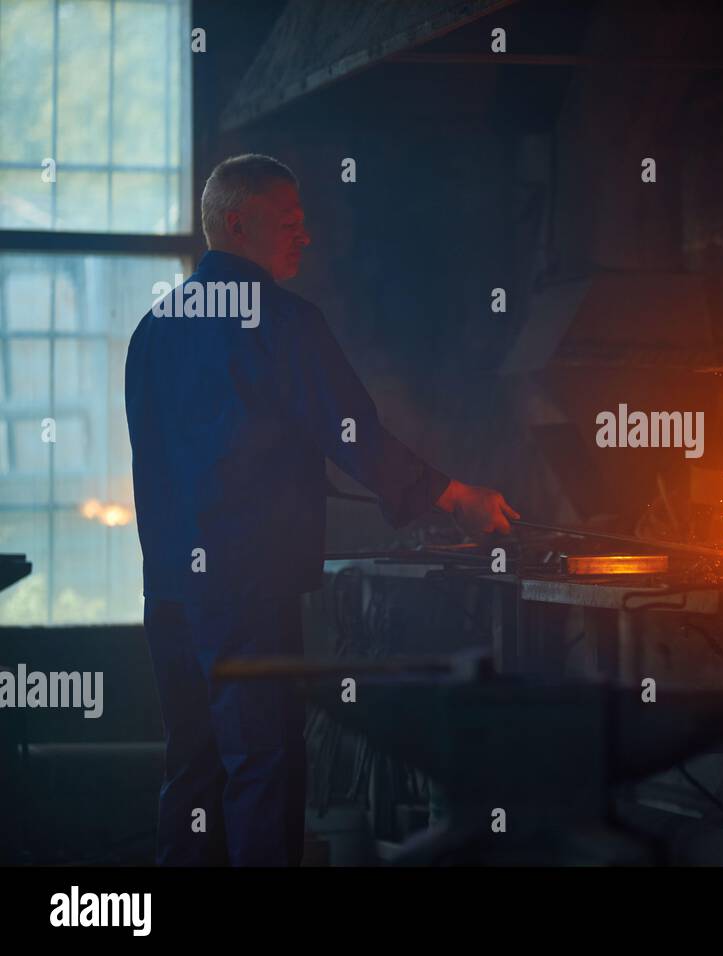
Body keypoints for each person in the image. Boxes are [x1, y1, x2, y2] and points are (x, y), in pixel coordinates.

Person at [124, 153, 517, 866]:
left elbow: (188, 457)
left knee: (192, 767)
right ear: (237, 224)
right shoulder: (282, 319)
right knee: (264, 767)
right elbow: (353, 434)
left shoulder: (153, 329)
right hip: (247, 591)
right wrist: (457, 498)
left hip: (169, 594)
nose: (304, 237)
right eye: (290, 222)